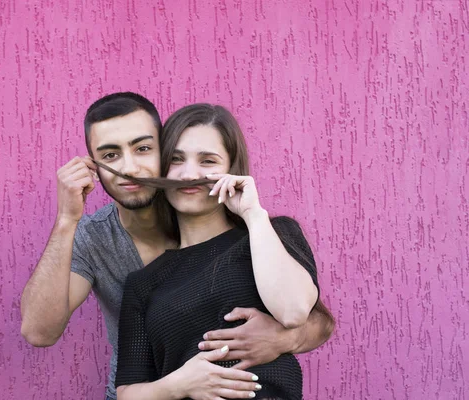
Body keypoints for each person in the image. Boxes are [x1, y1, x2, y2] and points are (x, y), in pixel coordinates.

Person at [20, 93, 334, 400]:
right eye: (111, 155)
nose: (129, 168)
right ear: (94, 166)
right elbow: (39, 332)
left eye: (143, 148)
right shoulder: (104, 247)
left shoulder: (259, 234)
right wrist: (66, 219)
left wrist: (283, 338)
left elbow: (313, 318)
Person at [114, 103, 327, 400]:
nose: (189, 174)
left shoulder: (270, 234)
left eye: (208, 161)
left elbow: (293, 312)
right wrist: (180, 385)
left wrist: (253, 214)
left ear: (231, 170)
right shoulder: (144, 283)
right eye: (176, 159)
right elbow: (127, 393)